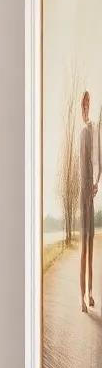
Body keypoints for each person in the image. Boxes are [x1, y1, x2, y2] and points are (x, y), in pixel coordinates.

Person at [79, 90, 98, 312]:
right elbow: (82, 168)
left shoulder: (91, 131)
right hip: (82, 195)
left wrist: (95, 184)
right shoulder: (82, 133)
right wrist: (86, 189)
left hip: (90, 196)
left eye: (88, 104)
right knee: (83, 248)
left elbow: (94, 163)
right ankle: (81, 298)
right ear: (80, 107)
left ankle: (91, 293)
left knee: (91, 247)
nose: (86, 108)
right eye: (84, 105)